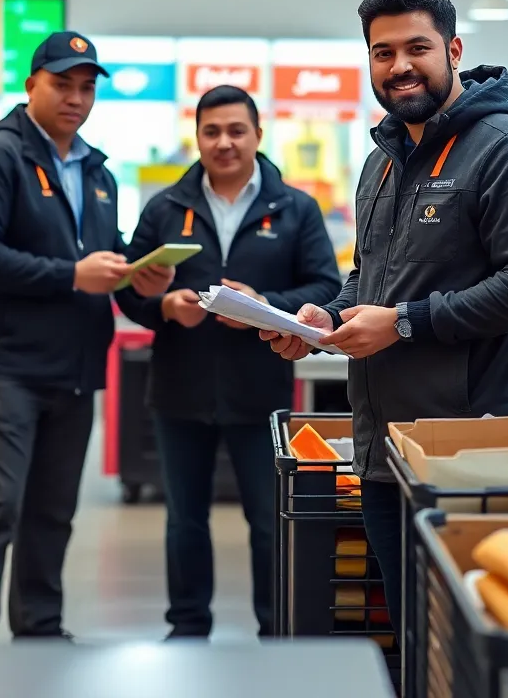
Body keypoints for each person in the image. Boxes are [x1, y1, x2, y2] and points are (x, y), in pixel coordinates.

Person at [263, 0, 508, 633]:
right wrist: (324, 319)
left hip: (472, 449)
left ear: (453, 50)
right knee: (410, 630)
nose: (399, 65)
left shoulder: (507, 149)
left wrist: (403, 324)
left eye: (417, 47)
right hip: (384, 448)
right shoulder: (382, 161)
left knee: (466, 640)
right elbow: (367, 280)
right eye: (382, 52)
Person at [0, 31, 173, 639]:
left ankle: (39, 630)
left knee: (52, 513)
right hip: (8, 369)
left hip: (75, 370)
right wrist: (71, 275)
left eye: (86, 87)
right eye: (62, 84)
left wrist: (139, 280)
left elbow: (105, 263)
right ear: (31, 86)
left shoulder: (99, 173)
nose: (75, 98)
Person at [120, 85, 342, 639]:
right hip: (179, 388)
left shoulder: (294, 208)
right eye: (212, 131)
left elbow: (325, 286)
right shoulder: (165, 208)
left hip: (260, 389)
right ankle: (187, 626)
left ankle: (276, 626)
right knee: (184, 521)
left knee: (269, 522)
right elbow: (129, 289)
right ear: (197, 137)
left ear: (257, 136)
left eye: (236, 130)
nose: (224, 142)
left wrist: (267, 306)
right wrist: (164, 307)